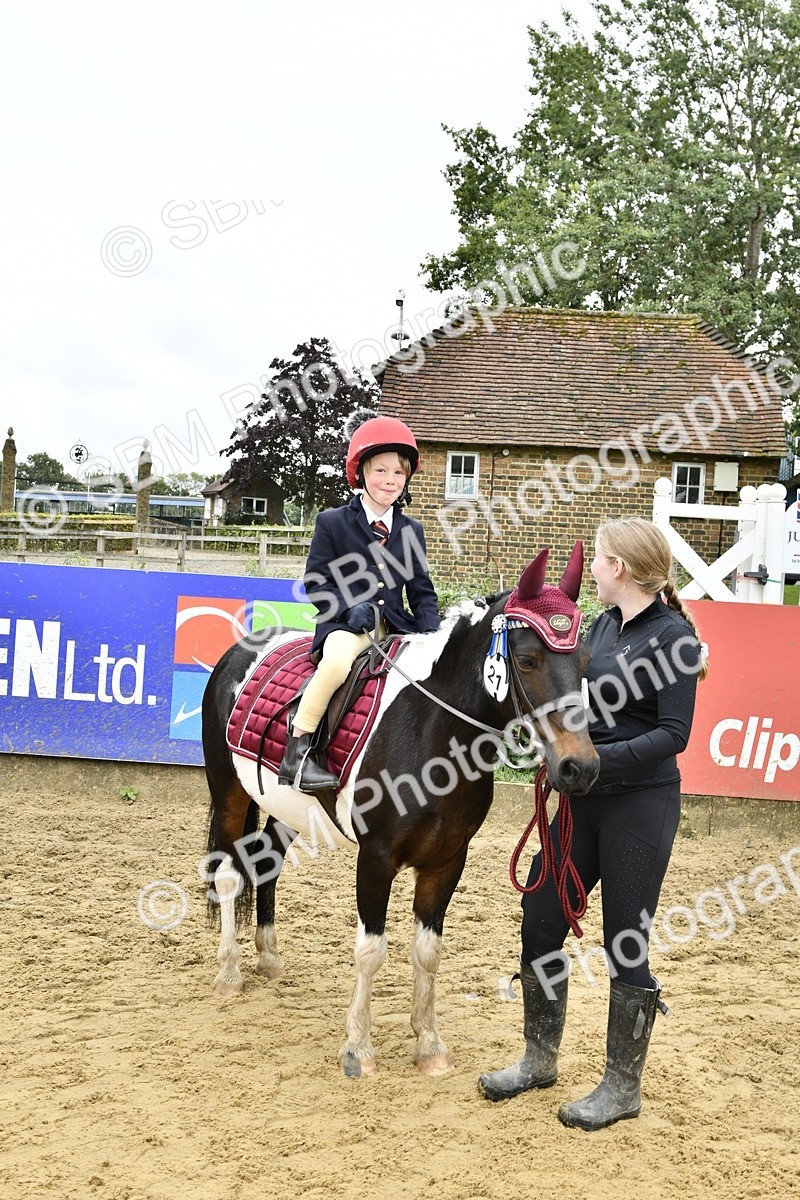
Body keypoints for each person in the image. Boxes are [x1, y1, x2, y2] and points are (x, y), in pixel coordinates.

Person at [478, 516, 707, 1131]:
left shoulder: (673, 638)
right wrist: (559, 750)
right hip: (582, 800)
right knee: (541, 916)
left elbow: (675, 736)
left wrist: (603, 760)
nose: (596, 570)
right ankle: (538, 1056)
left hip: (640, 805)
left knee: (623, 944)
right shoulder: (600, 626)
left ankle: (622, 1086)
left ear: (621, 569)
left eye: (601, 559)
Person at [278, 410, 440, 793]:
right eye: (381, 471)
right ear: (361, 472)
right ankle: (298, 752)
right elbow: (316, 582)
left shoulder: (411, 529)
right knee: (336, 665)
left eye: (398, 473)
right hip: (347, 625)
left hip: (396, 627)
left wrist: (434, 634)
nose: (390, 480)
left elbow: (421, 590)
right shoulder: (333, 522)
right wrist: (347, 609)